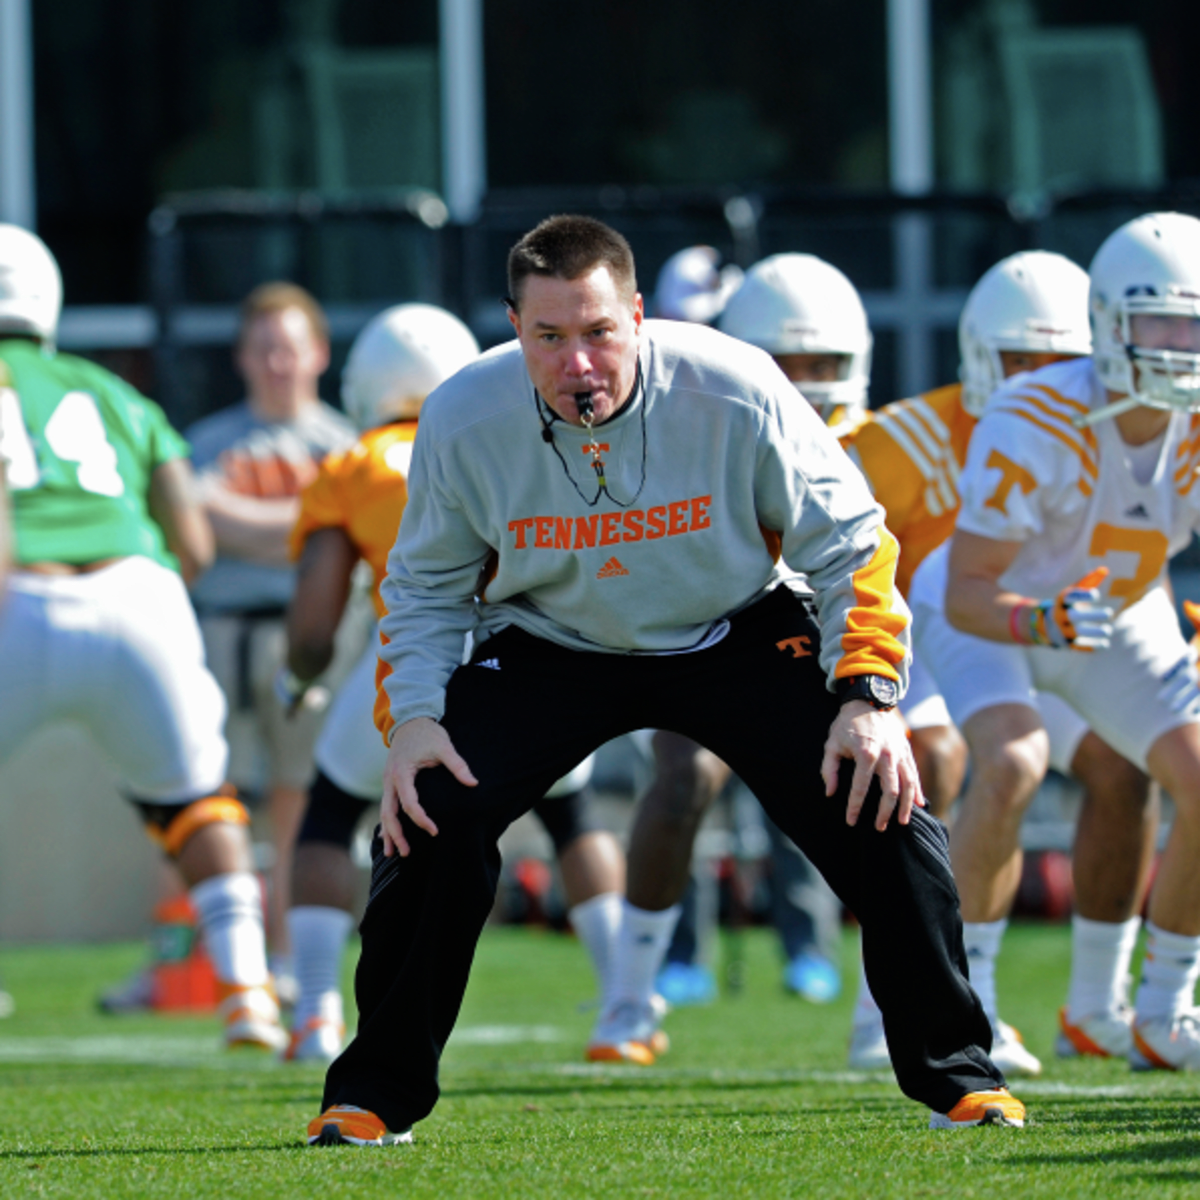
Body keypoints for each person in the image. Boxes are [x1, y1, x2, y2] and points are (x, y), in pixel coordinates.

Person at [307, 214, 1022, 1146]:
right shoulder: (463, 414)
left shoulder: (735, 386)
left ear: (638, 317)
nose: (579, 365)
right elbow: (424, 586)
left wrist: (869, 697)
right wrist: (411, 722)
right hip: (550, 638)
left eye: (599, 332)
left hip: (732, 626)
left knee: (881, 798)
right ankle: (373, 1094)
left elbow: (852, 544)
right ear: (513, 328)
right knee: (429, 805)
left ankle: (960, 1078)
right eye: (549, 337)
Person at [281, 303, 626, 1062]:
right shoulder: (516, 436)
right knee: (573, 818)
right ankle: (626, 1007)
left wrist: (294, 676)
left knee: (330, 815)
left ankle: (312, 1013)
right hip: (532, 652)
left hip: (414, 664)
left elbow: (313, 626)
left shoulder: (352, 465)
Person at [843, 250, 1158, 1075]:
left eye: (1058, 361)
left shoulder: (1114, 427)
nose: (1039, 378)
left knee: (1126, 770)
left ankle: (1095, 1002)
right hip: (921, 641)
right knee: (938, 759)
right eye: (1022, 359)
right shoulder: (898, 442)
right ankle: (895, 1005)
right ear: (982, 356)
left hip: (1042, 633)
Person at [916, 211, 1200, 1071]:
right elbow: (965, 590)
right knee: (1011, 762)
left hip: (1117, 608)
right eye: (1162, 323)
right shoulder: (1034, 413)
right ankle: (969, 1009)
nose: (1180, 347)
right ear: (1110, 322)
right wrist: (1038, 620)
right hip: (993, 611)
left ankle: (1161, 1009)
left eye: (1196, 325)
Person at [0, 223, 284, 1049]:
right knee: (197, 803)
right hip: (136, 593)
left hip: (16, 592)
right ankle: (247, 993)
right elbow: (191, 544)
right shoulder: (114, 392)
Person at [186, 283, 357, 988]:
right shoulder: (210, 439)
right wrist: (301, 525)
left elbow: (337, 532)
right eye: (262, 349)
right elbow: (195, 521)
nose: (276, 362)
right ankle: (185, 961)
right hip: (219, 631)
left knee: (296, 796)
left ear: (317, 353)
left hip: (307, 640)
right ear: (241, 358)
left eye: (287, 347)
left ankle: (283, 956)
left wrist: (239, 520)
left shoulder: (342, 442)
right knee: (193, 791)